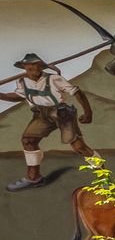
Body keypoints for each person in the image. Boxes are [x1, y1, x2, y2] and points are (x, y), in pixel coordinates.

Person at [2, 53, 96, 192]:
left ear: (41, 66)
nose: (34, 67)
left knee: (79, 147)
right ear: (24, 66)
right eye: (31, 64)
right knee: (28, 141)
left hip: (62, 114)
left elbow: (77, 92)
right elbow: (18, 96)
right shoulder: (22, 81)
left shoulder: (54, 78)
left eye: (37, 64)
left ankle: (104, 177)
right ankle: (34, 177)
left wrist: (88, 113)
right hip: (41, 115)